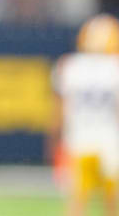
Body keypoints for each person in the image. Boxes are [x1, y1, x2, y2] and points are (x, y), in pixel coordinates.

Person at [50, 13, 119, 216]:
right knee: (111, 203)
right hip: (110, 141)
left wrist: (54, 141)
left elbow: (59, 111)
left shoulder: (69, 66)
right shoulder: (115, 67)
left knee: (77, 202)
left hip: (78, 140)